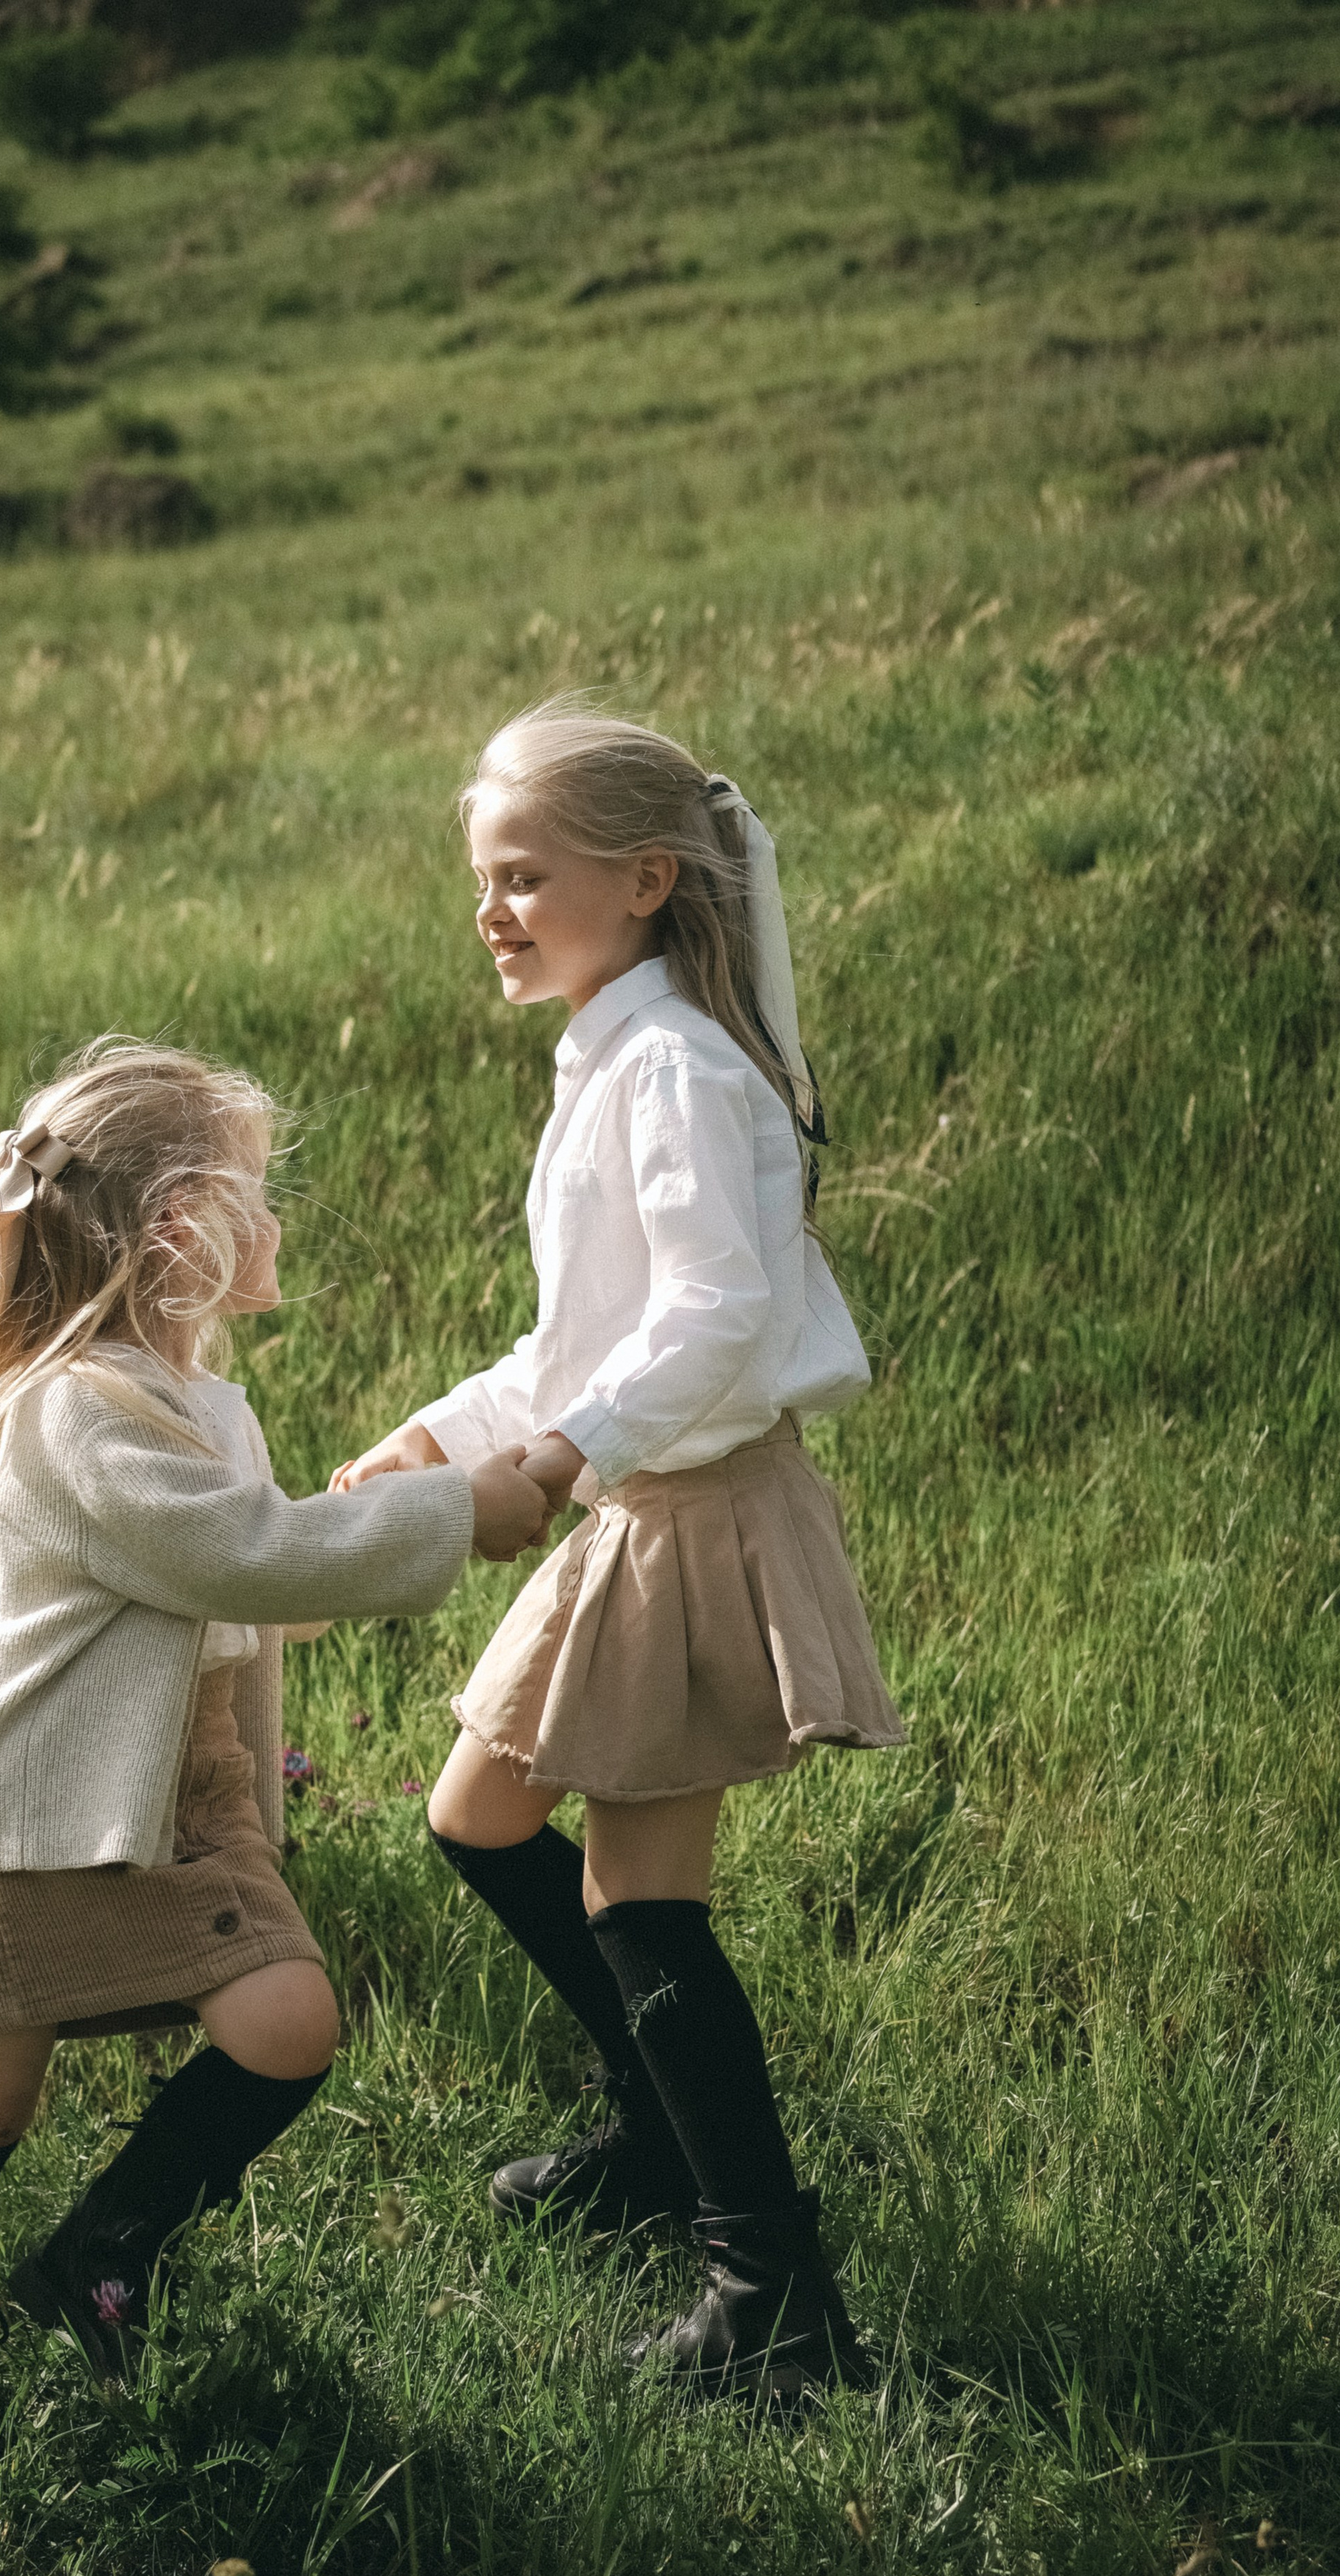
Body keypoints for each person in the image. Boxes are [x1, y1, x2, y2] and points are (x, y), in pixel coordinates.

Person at [332, 706, 904, 2403]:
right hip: (644, 1491)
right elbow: (587, 1329)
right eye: (482, 881)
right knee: (476, 1814)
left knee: (635, 1899)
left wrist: (573, 1449)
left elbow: (717, 1313)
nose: (493, 910)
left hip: (687, 1510)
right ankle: (660, 2150)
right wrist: (442, 1434)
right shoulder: (611, 1050)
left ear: (647, 880)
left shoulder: (669, 1066)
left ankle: (770, 2298)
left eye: (528, 876)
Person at [0, 1036, 547, 2443]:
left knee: (286, 2024)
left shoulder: (191, 1398)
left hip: (185, 1799)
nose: (277, 1222)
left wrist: (359, 1506)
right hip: (45, 1816)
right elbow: (240, 1558)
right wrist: (449, 1517)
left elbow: (243, 1575)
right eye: (256, 1193)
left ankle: (102, 2252)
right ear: (182, 1229)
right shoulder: (76, 1412)